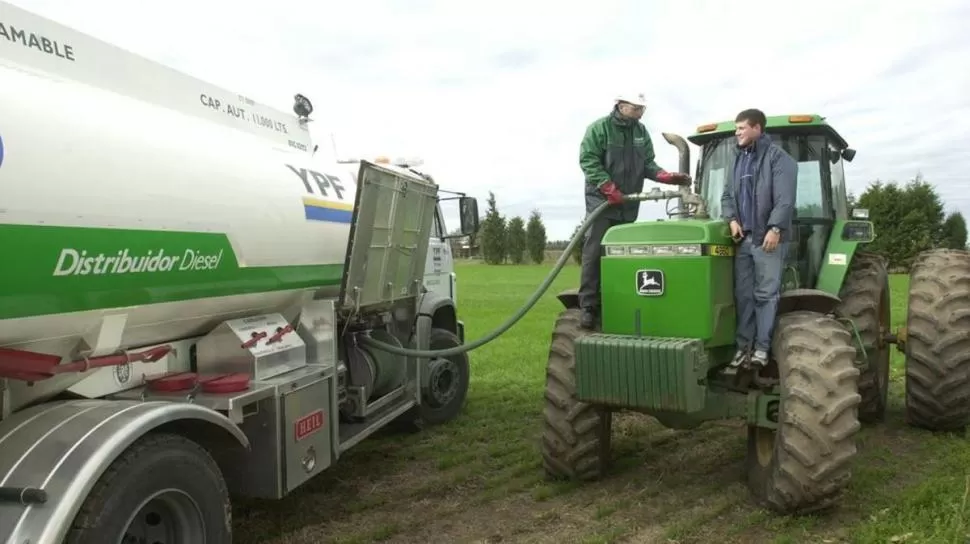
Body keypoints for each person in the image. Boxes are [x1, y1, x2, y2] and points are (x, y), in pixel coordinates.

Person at [577, 92, 692, 330]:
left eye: (643, 108)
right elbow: (588, 160)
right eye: (637, 108)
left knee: (624, 253)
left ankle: (621, 301)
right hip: (602, 202)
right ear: (621, 105)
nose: (641, 112)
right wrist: (607, 186)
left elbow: (647, 164)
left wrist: (664, 176)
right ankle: (588, 306)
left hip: (628, 203)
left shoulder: (641, 132)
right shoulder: (599, 129)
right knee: (595, 250)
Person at [720, 108, 797, 369]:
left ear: (757, 128)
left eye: (741, 127)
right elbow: (727, 196)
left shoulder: (778, 158)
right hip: (743, 240)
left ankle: (763, 348)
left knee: (765, 294)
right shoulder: (736, 160)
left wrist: (775, 228)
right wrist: (731, 220)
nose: (737, 132)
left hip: (767, 239)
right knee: (744, 295)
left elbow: (784, 199)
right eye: (737, 128)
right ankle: (743, 347)